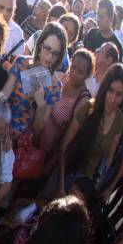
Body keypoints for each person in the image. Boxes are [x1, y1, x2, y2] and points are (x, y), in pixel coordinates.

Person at [59, 63, 123, 199]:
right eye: (110, 91)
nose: (113, 99)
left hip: (91, 185)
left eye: (119, 94)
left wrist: (108, 188)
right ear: (104, 89)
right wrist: (60, 185)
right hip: (69, 174)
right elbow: (64, 146)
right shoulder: (88, 108)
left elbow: (109, 160)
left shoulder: (120, 121)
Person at [0, 22, 67, 136]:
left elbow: (38, 128)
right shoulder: (21, 62)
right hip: (0, 126)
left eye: (55, 53)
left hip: (21, 142)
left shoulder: (55, 86)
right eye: (47, 49)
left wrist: (41, 105)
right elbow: (4, 94)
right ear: (39, 45)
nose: (49, 57)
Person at [34, 49, 93, 181]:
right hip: (34, 140)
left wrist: (51, 164)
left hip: (48, 154)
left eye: (80, 71)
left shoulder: (83, 101)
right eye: (73, 67)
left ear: (88, 75)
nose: (74, 73)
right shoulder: (61, 78)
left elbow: (68, 138)